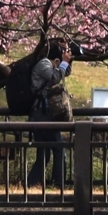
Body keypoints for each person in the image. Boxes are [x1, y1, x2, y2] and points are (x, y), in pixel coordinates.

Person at [26, 42, 73, 188]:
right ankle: (59, 185)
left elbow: (65, 72)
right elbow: (54, 77)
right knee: (58, 149)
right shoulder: (44, 63)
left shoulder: (50, 64)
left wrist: (68, 60)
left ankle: (31, 184)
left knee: (44, 154)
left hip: (43, 114)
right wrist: (64, 62)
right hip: (42, 114)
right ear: (56, 59)